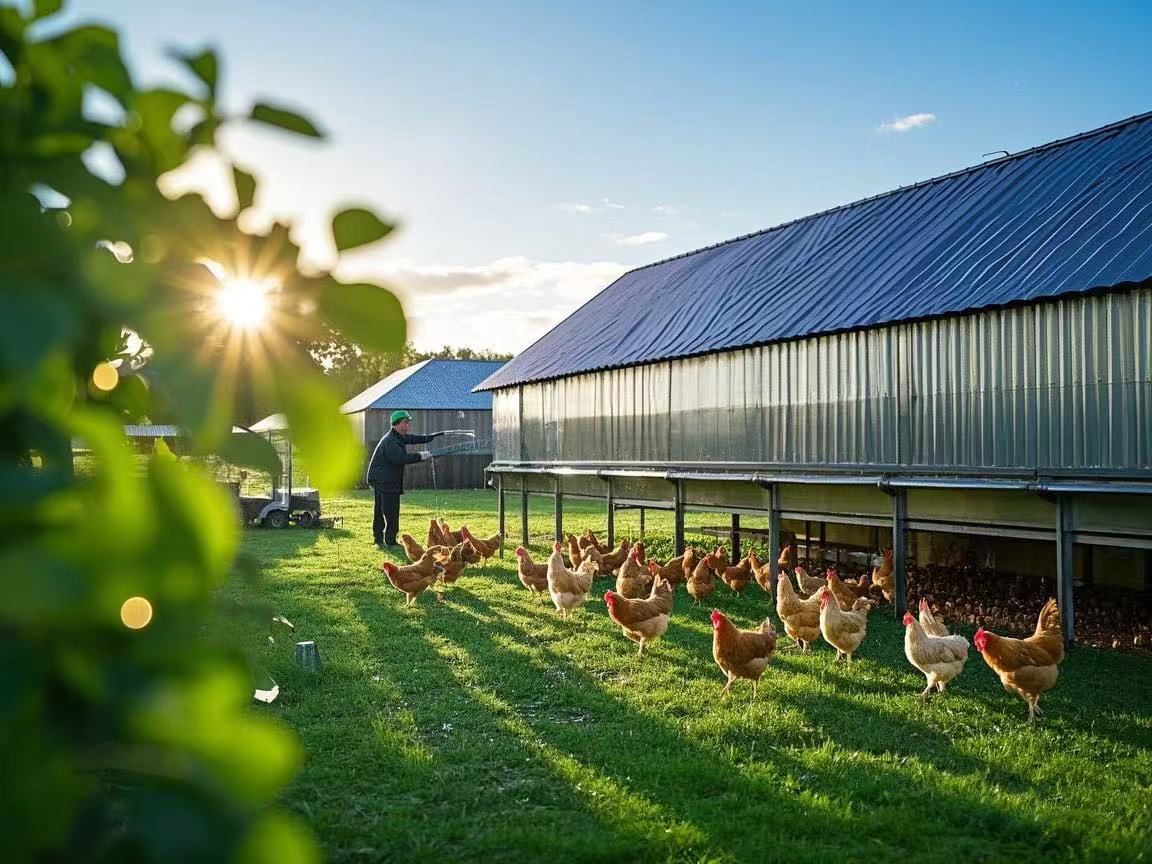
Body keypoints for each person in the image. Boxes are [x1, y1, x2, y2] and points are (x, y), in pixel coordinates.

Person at [366, 410, 445, 549]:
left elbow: (411, 438)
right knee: (390, 511)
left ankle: (378, 539)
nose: (407, 425)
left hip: (380, 479)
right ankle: (390, 541)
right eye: (405, 422)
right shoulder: (391, 441)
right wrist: (420, 456)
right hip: (385, 481)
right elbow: (400, 458)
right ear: (396, 424)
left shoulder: (397, 436)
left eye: (408, 422)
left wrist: (428, 438)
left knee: (380, 510)